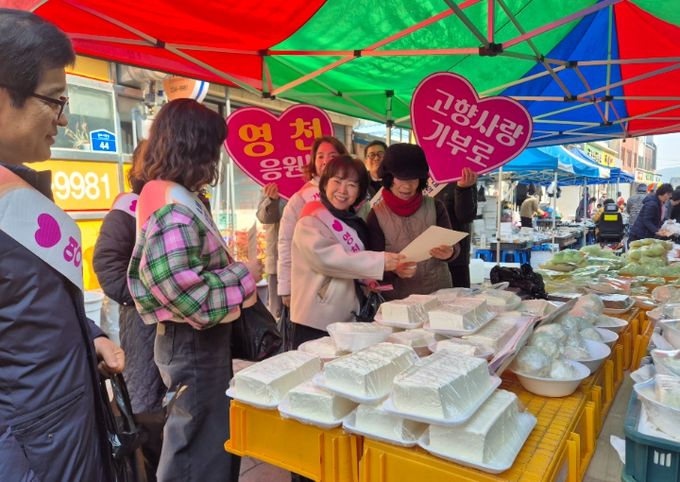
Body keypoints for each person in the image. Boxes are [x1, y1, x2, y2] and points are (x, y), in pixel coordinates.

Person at [0, 10, 124, 481]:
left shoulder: (21, 189)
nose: (64, 117)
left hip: (61, 439)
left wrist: (89, 336)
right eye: (54, 100)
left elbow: (25, 310)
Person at [128, 99, 261, 482]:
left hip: (189, 342)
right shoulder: (174, 206)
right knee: (200, 447)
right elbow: (189, 295)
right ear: (197, 148)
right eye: (214, 149)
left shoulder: (168, 194)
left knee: (201, 438)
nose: (216, 161)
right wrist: (244, 276)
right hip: (193, 342)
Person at [93, 140, 164, 480]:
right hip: (143, 327)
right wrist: (154, 295)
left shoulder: (180, 201)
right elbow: (107, 267)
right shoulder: (127, 210)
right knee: (149, 412)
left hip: (182, 332)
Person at [289, 155, 406, 347]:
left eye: (352, 185)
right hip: (315, 320)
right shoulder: (310, 220)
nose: (343, 190)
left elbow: (354, 265)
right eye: (337, 181)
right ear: (325, 183)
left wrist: (382, 272)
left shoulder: (353, 221)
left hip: (345, 317)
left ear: (360, 192)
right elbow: (328, 259)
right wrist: (380, 261)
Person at [366, 143, 460, 300]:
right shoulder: (376, 215)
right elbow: (373, 264)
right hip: (399, 301)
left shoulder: (436, 206)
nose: (407, 186)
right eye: (400, 178)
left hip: (439, 295)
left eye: (413, 179)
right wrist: (394, 269)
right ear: (389, 177)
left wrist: (450, 252)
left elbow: (454, 246)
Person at [277, 136, 348, 311]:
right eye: (320, 156)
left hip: (348, 281)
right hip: (312, 285)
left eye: (332, 156)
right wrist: (286, 288)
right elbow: (286, 242)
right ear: (313, 162)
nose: (325, 161)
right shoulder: (300, 199)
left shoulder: (351, 194)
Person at [434, 168, 478, 287]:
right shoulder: (420, 175)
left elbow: (466, 216)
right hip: (424, 258)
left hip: (456, 258)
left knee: (458, 295)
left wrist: (463, 188)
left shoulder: (463, 172)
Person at [256, 182, 286, 318]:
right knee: (278, 314)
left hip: (306, 260)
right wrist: (272, 200)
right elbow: (263, 217)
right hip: (278, 258)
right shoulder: (270, 181)